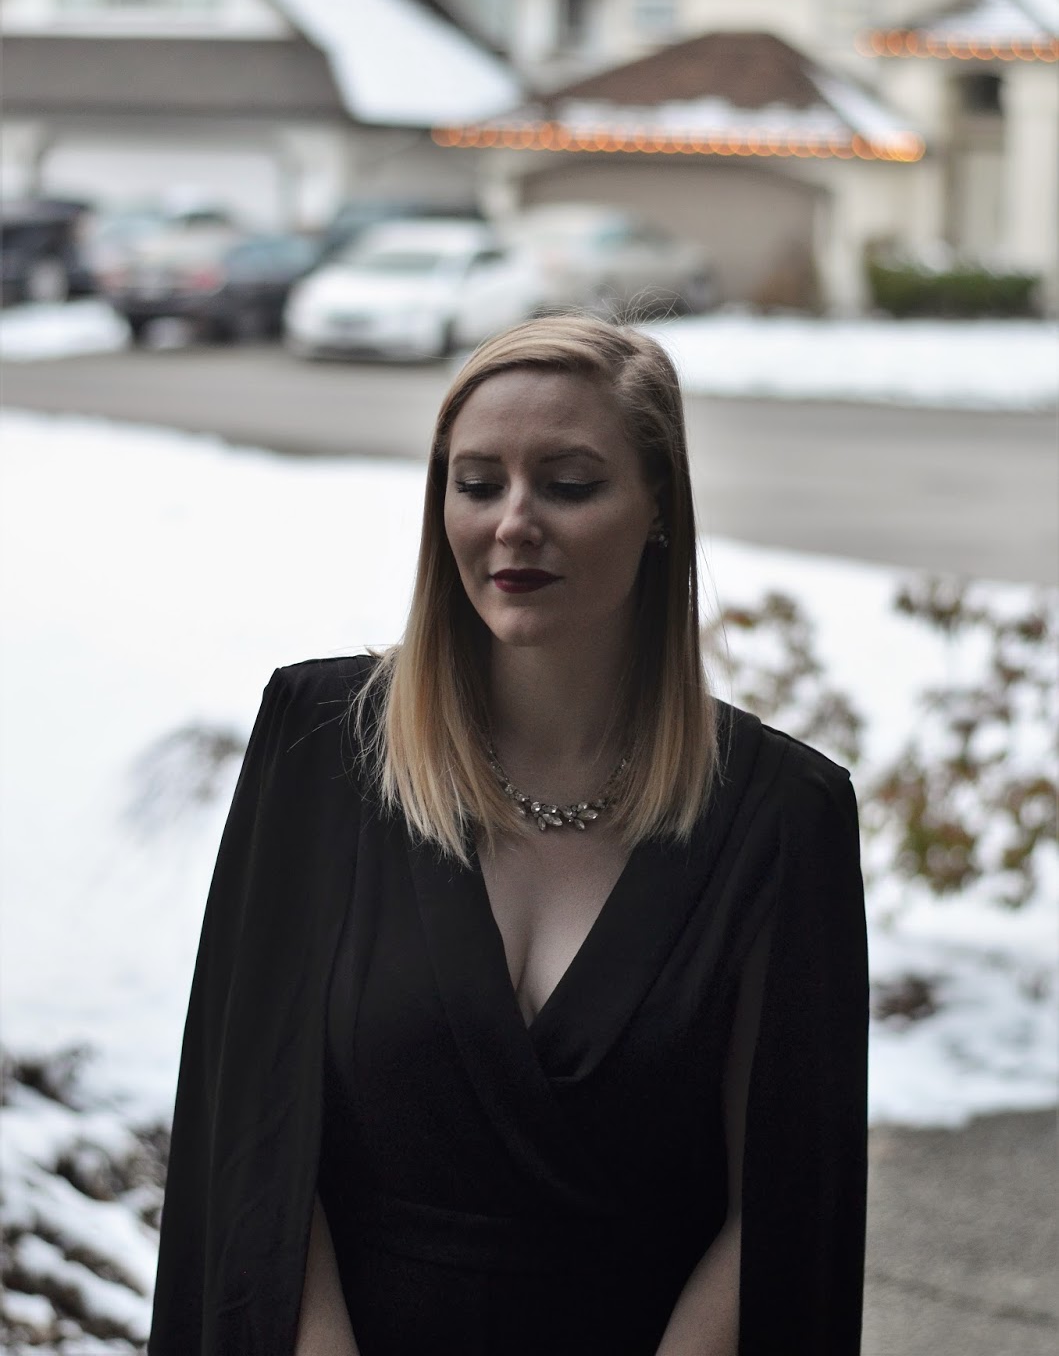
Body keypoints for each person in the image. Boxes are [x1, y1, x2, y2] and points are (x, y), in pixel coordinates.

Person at [149, 315, 868, 1356]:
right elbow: (252, 1131)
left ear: (659, 508)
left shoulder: (783, 814)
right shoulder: (320, 746)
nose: (513, 523)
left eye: (568, 484)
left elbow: (784, 1201)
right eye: (478, 483)